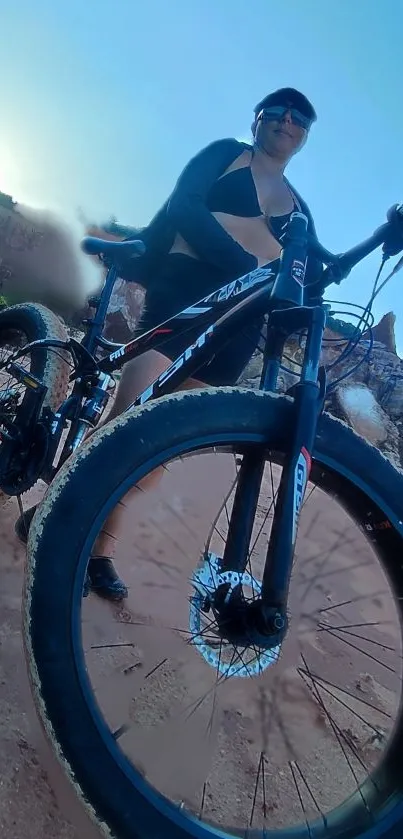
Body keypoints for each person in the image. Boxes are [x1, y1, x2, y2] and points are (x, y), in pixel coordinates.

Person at [16, 87, 322, 600]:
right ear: (258, 119)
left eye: (300, 118)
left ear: (306, 136)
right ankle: (51, 518)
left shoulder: (303, 209)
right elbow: (184, 207)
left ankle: (98, 550)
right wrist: (247, 266)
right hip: (189, 291)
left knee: (162, 445)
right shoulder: (227, 154)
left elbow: (314, 268)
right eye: (277, 111)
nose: (287, 120)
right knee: (130, 416)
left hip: (240, 324)